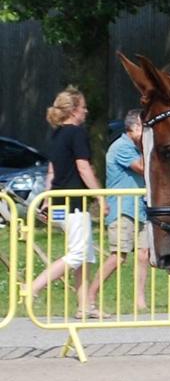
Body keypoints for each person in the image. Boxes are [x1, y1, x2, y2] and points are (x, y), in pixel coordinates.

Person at [27, 87, 107, 317]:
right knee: (78, 253)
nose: (86, 111)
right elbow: (83, 167)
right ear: (73, 111)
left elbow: (52, 169)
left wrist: (47, 199)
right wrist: (100, 197)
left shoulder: (57, 134)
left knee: (85, 253)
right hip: (74, 203)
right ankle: (34, 287)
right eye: (83, 107)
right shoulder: (76, 133)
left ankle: (85, 306)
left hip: (58, 201)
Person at [87, 110, 150, 312]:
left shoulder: (136, 147)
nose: (147, 131)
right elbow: (142, 167)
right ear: (132, 127)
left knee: (144, 253)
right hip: (123, 209)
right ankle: (90, 296)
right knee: (118, 257)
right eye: (143, 127)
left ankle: (140, 300)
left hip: (140, 208)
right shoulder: (122, 147)